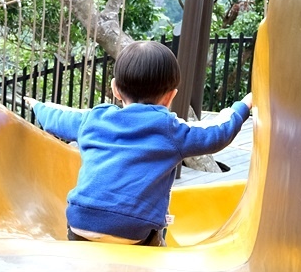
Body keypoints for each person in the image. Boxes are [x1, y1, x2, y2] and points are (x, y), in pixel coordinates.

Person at [24, 40, 252, 247]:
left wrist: (36, 106)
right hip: (134, 230)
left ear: (115, 89)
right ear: (170, 96)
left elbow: (58, 118)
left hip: (81, 221)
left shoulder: (93, 118)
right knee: (157, 254)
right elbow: (218, 133)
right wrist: (244, 104)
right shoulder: (170, 129)